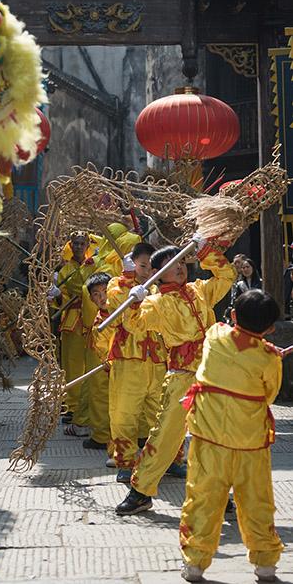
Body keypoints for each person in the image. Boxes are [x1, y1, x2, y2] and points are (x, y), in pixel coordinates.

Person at [115, 234, 236, 515]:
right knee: (165, 435)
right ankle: (141, 491)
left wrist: (206, 249)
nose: (180, 267)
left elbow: (226, 275)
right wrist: (134, 300)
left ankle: (219, 492)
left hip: (212, 372)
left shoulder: (200, 289)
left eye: (181, 261)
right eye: (171, 264)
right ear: (158, 274)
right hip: (182, 375)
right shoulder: (157, 302)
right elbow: (133, 325)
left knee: (216, 434)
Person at [179, 290, 284, 583]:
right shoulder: (268, 359)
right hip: (250, 442)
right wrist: (269, 352)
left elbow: (226, 334)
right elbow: (269, 394)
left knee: (202, 499)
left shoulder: (214, 336)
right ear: (270, 328)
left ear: (234, 315)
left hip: (209, 439)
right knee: (257, 501)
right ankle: (265, 566)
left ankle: (195, 564)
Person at [105, 243, 168, 484]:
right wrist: (129, 280)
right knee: (124, 413)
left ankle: (168, 459)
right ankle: (126, 461)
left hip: (159, 358)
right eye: (142, 266)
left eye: (152, 267)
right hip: (128, 358)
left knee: (162, 412)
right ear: (132, 264)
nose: (147, 271)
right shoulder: (117, 284)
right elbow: (114, 307)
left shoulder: (161, 286)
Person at [49, 231, 102, 436]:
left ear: (88, 244)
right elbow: (62, 296)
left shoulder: (95, 264)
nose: (79, 246)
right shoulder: (66, 269)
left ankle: (86, 408)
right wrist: (57, 295)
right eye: (76, 243)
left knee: (90, 365)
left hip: (93, 317)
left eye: (82, 243)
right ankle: (72, 407)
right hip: (72, 320)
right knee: (71, 365)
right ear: (71, 244)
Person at [83, 272, 114, 453]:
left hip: (125, 362)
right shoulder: (98, 320)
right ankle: (102, 435)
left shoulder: (124, 310)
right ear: (91, 298)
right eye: (96, 294)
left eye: (105, 291)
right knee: (100, 395)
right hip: (105, 362)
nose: (102, 297)